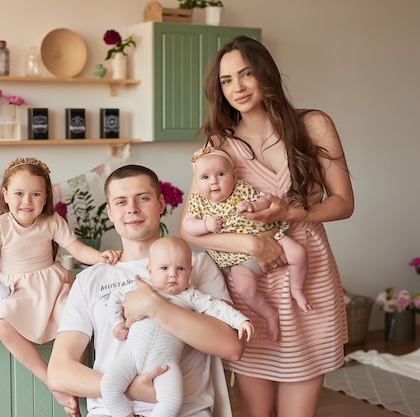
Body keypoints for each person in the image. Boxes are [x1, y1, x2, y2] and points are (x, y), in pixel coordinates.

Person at [179, 36, 353, 417]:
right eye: (226, 81)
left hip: (306, 274)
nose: (237, 87)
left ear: (266, 73)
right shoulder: (220, 145)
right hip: (250, 283)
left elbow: (343, 203)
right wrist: (249, 244)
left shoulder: (314, 125)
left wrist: (292, 214)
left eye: (246, 73)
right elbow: (189, 230)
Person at [48, 164, 245, 417]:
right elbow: (59, 370)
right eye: (121, 202)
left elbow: (231, 346)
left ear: (161, 203)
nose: (132, 208)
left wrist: (156, 306)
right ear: (109, 212)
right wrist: (129, 389)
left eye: (143, 198)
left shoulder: (196, 264)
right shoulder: (90, 279)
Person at [0, 157, 121, 405]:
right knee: (1, 321)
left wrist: (101, 257)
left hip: (53, 286)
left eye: (35, 194)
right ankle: (51, 379)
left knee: (78, 318)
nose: (27, 201)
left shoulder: (52, 221)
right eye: (19, 193)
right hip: (16, 291)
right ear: (5, 195)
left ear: (45, 197)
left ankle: (73, 377)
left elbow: (77, 249)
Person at [101, 236, 254, 417]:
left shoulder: (191, 296)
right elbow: (115, 297)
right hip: (131, 357)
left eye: (180, 268)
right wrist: (117, 322)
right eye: (164, 268)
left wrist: (241, 321)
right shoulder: (141, 288)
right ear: (150, 270)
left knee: (172, 399)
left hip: (166, 364)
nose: (173, 274)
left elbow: (218, 308)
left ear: (190, 271)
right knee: (108, 386)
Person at [182, 146, 310, 341]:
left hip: (267, 234)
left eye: (221, 174)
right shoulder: (198, 201)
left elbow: (262, 202)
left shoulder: (241, 189)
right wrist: (205, 224)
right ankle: (269, 314)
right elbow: (188, 226)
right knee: (244, 290)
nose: (214, 181)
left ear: (233, 176)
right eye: (205, 178)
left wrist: (252, 206)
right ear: (197, 182)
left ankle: (297, 289)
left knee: (299, 252)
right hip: (235, 256)